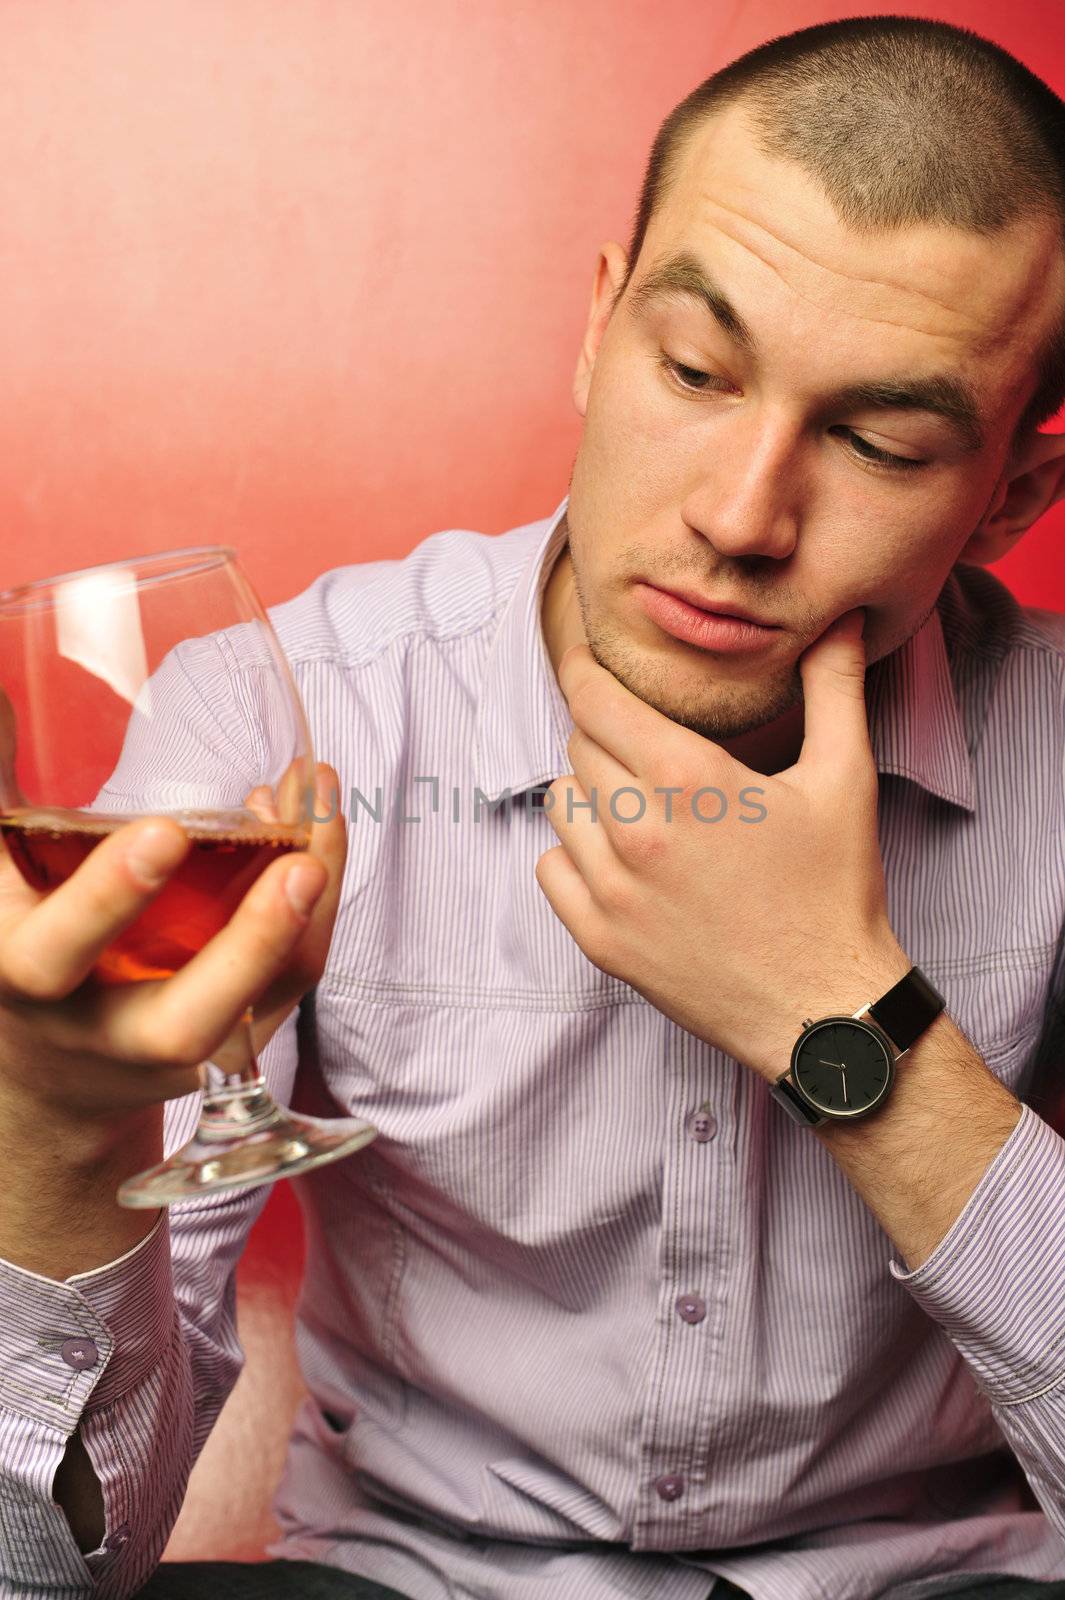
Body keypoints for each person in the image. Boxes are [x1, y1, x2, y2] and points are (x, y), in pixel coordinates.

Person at [3, 13, 1065, 1600]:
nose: (738, 513)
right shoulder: (285, 715)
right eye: (694, 370)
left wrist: (842, 1020)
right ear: (597, 327)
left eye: (878, 441)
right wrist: (45, 1142)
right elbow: (45, 1577)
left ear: (1010, 501)